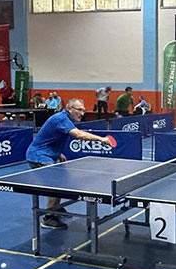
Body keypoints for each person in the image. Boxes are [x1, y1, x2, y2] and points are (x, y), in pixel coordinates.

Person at [26, 98, 113, 228]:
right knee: (54, 185)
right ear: (69, 108)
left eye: (83, 110)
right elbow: (78, 135)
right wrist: (102, 139)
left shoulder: (66, 118)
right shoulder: (61, 118)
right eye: (79, 110)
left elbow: (52, 137)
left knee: (60, 181)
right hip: (38, 156)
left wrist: (58, 153)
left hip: (48, 155)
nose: (82, 113)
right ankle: (49, 217)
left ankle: (56, 207)